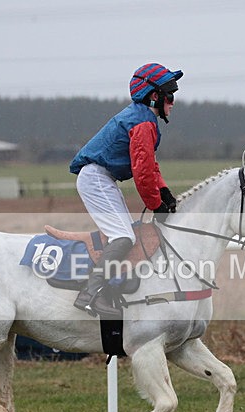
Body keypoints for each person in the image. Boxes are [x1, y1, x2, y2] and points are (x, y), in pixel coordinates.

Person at [69, 62, 181, 317]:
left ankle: (108, 290)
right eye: (170, 95)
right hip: (96, 179)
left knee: (125, 235)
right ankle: (90, 294)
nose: (173, 102)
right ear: (155, 96)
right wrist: (156, 205)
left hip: (102, 178)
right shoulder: (142, 123)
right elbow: (141, 173)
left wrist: (163, 191)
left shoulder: (143, 119)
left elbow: (149, 165)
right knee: (124, 238)